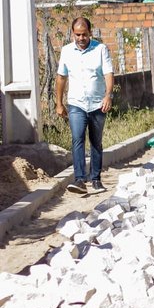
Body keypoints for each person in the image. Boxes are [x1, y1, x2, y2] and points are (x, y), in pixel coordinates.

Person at [55, 17, 114, 195]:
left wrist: (108, 96)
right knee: (77, 138)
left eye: (84, 34)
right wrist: (59, 103)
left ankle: (95, 179)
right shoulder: (66, 51)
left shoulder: (100, 49)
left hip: (97, 104)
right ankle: (80, 179)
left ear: (90, 32)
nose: (81, 38)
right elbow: (61, 78)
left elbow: (108, 74)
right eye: (77, 35)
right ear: (73, 34)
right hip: (76, 103)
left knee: (96, 142)